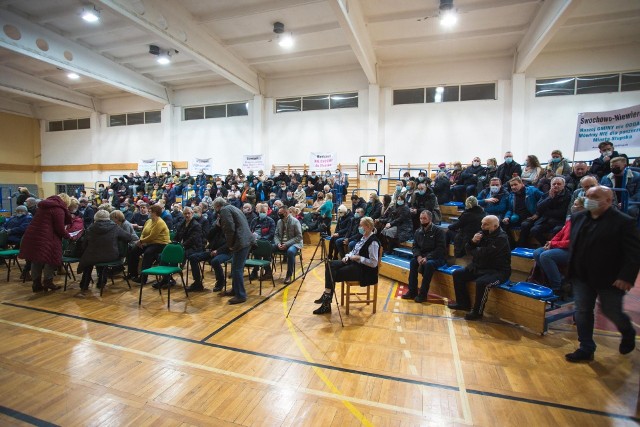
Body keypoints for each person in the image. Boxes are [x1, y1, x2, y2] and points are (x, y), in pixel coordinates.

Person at [565, 186, 640, 362]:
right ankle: (586, 348)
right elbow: (575, 246)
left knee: (610, 310)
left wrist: (626, 276)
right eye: (588, 195)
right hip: (581, 275)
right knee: (582, 311)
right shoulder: (578, 217)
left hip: (610, 278)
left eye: (595, 196)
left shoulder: (623, 222)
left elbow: (634, 253)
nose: (589, 199)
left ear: (608, 200)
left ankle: (627, 331)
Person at [313, 216, 380, 315]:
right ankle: (327, 298)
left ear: (368, 226)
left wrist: (359, 258)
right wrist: (347, 256)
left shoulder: (373, 242)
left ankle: (326, 300)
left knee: (332, 273)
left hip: (363, 271)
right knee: (330, 264)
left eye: (361, 226)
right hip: (353, 263)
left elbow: (374, 263)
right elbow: (354, 251)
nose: (359, 227)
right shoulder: (364, 237)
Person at [449, 215, 511, 320]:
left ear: (495, 226)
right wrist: (473, 242)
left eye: (485, 224)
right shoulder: (482, 233)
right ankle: (463, 303)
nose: (482, 226)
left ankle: (477, 312)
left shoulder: (502, 238)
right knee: (457, 274)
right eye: (482, 223)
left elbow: (484, 254)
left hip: (498, 271)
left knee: (482, 283)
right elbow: (467, 249)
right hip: (480, 267)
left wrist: (474, 249)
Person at [19, 193, 72, 292]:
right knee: (51, 259)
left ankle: (36, 284)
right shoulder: (58, 209)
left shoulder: (43, 207)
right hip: (48, 237)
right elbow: (59, 228)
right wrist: (68, 236)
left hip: (33, 236)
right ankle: (48, 281)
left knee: (36, 259)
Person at [532, 197, 584, 295]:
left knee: (545, 256)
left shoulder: (584, 222)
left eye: (576, 204)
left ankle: (557, 286)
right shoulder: (572, 219)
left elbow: (573, 242)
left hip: (573, 251)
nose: (573, 206)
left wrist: (554, 244)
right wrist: (550, 243)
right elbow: (560, 233)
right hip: (562, 247)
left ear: (583, 208)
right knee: (537, 252)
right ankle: (559, 279)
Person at [77, 209, 133, 293]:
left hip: (92, 255)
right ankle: (101, 282)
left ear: (96, 218)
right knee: (103, 259)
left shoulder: (90, 228)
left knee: (88, 262)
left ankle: (84, 284)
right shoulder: (115, 227)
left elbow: (84, 244)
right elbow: (128, 237)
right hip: (111, 255)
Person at [213, 197, 255, 304]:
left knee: (237, 269)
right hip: (245, 240)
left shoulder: (224, 210)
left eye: (214, 207)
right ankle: (235, 290)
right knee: (235, 268)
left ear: (217, 206)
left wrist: (230, 244)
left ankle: (241, 295)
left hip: (241, 242)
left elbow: (229, 229)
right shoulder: (233, 207)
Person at [401, 210, 447, 303]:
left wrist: (427, 258)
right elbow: (415, 247)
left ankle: (423, 294)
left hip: (437, 258)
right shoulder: (418, 231)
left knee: (429, 264)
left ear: (430, 219)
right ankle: (412, 291)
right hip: (422, 257)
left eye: (424, 218)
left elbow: (440, 248)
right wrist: (418, 256)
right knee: (413, 262)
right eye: (421, 218)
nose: (422, 220)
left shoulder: (438, 231)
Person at [518, 176, 571, 247]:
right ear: (551, 185)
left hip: (559, 221)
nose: (556, 185)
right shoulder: (547, 194)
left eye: (559, 184)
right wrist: (550, 198)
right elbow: (539, 207)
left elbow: (562, 213)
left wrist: (546, 211)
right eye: (554, 184)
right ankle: (545, 245)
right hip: (546, 220)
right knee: (534, 230)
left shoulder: (568, 196)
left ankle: (553, 246)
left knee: (557, 230)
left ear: (563, 185)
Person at [127, 204, 170, 286]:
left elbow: (152, 236)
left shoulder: (160, 222)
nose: (149, 213)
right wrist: (141, 241)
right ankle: (133, 273)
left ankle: (143, 278)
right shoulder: (149, 221)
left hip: (161, 243)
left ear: (155, 213)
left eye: (150, 211)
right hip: (149, 242)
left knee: (148, 253)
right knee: (134, 250)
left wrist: (141, 241)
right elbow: (143, 233)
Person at [172, 207, 204, 290]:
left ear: (192, 214)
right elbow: (177, 235)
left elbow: (192, 240)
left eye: (189, 213)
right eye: (185, 213)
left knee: (184, 254)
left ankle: (197, 282)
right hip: (184, 246)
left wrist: (181, 246)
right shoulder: (182, 223)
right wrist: (173, 243)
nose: (187, 215)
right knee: (170, 251)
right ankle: (167, 278)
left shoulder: (196, 225)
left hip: (195, 247)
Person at [273, 205, 303, 284]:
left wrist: (286, 244)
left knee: (290, 251)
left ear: (286, 213)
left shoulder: (295, 221)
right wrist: (278, 243)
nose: (278, 214)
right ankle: (268, 272)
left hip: (294, 244)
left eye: (280, 213)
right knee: (270, 248)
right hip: (281, 243)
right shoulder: (279, 221)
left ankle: (289, 275)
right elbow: (276, 235)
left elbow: (299, 237)